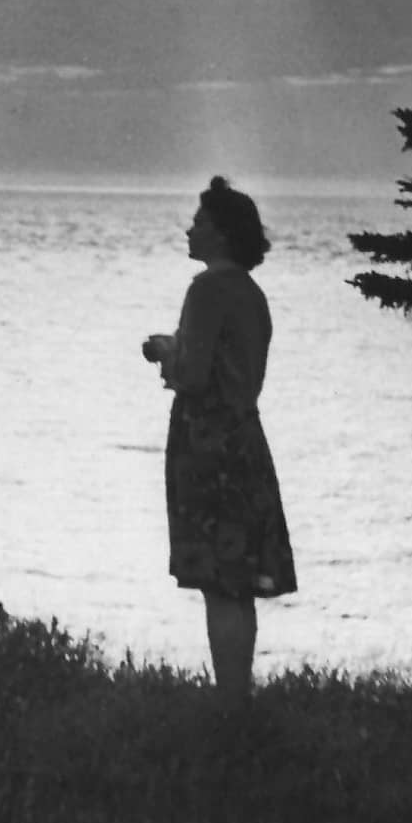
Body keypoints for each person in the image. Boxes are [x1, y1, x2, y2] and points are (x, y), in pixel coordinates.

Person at [142, 176, 296, 710]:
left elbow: (194, 372)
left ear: (222, 235)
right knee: (238, 582)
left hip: (208, 445)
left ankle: (230, 703)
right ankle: (238, 695)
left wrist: (165, 351)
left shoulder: (207, 289)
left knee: (219, 582)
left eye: (200, 222)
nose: (190, 229)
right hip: (245, 440)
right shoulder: (251, 295)